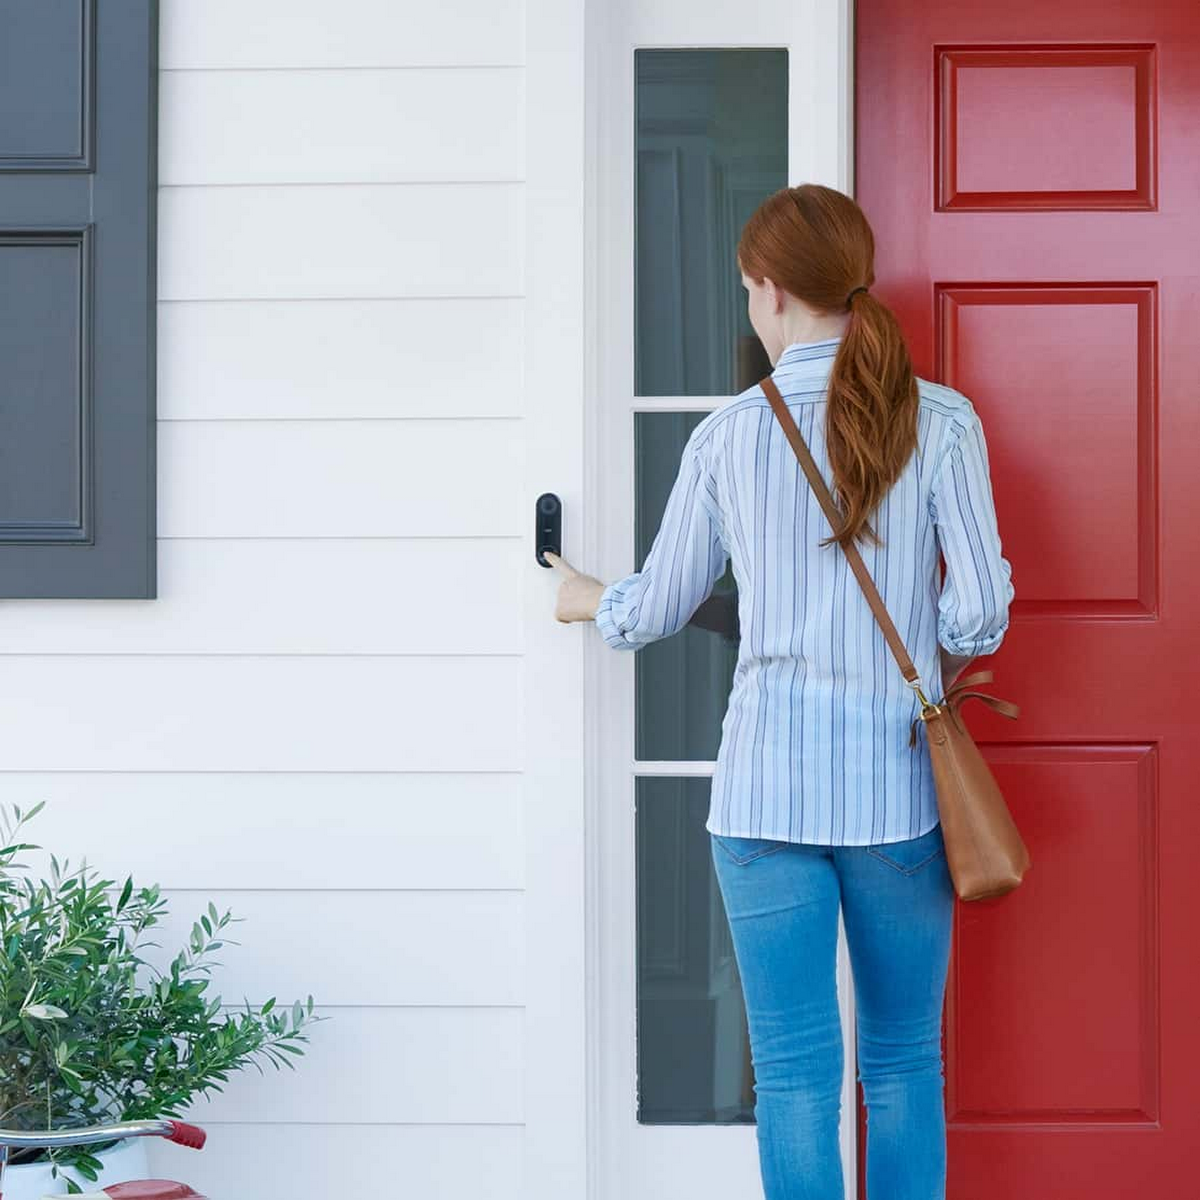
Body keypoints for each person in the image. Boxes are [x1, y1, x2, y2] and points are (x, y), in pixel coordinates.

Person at [545, 182, 1014, 1200]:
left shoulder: (726, 437)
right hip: (897, 803)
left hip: (763, 803)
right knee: (900, 1064)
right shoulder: (943, 423)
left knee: (795, 1077)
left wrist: (582, 594)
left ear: (767, 292)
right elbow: (978, 618)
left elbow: (651, 610)